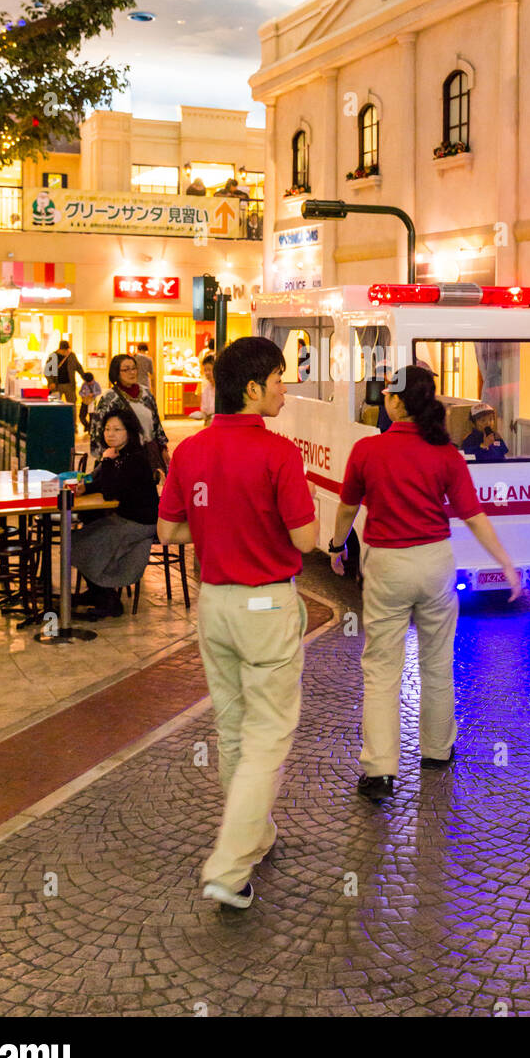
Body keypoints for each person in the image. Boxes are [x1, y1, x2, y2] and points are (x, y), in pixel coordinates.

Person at [157, 336, 317, 910]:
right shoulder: (279, 453)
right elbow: (305, 538)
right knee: (267, 736)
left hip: (215, 605)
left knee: (232, 730)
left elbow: (169, 532)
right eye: (278, 377)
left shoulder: (190, 451)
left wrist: (217, 521)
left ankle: (256, 833)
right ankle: (229, 865)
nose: (284, 386)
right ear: (251, 389)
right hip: (265, 606)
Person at [329, 365, 521, 801]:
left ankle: (379, 770)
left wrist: (337, 546)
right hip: (435, 562)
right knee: (437, 661)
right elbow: (473, 516)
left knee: (381, 669)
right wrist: (506, 563)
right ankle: (436, 750)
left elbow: (346, 509)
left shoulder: (367, 449)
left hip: (386, 565)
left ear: (396, 403)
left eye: (386, 395)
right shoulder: (447, 453)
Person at [72, 404, 159, 618]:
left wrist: (107, 461)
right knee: (78, 539)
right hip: (123, 518)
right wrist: (86, 487)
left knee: (86, 542)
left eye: (117, 429)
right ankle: (97, 592)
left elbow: (110, 492)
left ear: (129, 431)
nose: (110, 434)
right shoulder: (118, 455)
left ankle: (109, 600)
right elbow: (101, 482)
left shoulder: (134, 459)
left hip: (139, 523)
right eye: (107, 429)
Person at [90, 353, 169, 474]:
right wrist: (106, 457)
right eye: (126, 369)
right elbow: (98, 431)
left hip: (149, 455)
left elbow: (156, 423)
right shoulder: (109, 398)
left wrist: (163, 448)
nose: (132, 372)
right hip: (123, 459)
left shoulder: (146, 393)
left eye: (134, 368)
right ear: (116, 372)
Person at [44, 339, 85, 405]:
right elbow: (47, 371)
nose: (66, 352)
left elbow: (78, 367)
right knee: (54, 404)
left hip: (69, 385)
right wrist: (51, 382)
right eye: (65, 350)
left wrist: (85, 377)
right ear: (60, 349)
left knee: (72, 404)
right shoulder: (53, 356)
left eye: (67, 350)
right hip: (56, 385)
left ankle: (71, 415)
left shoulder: (71, 356)